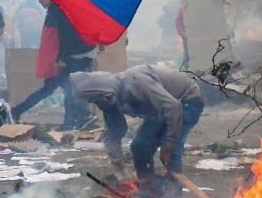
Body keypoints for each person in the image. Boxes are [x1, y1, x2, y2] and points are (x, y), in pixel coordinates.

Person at [69, 64, 204, 178]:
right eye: (92, 102)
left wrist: (168, 144)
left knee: (171, 153)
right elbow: (113, 134)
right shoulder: (111, 100)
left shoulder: (137, 81)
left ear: (104, 92)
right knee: (139, 146)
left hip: (186, 101)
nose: (98, 105)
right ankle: (148, 192)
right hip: (160, 110)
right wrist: (120, 168)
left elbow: (173, 107)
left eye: (96, 100)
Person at [11, 0, 61, 122]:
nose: (40, 1)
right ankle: (73, 120)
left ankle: (18, 110)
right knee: (60, 89)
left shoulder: (56, 13)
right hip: (58, 59)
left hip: (56, 58)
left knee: (54, 89)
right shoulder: (54, 13)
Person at [175, 0, 211, 66]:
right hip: (190, 37)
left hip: (204, 37)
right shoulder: (187, 4)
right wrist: (183, 34)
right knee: (189, 59)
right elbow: (179, 20)